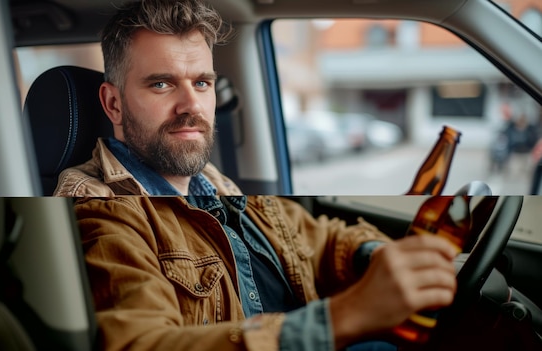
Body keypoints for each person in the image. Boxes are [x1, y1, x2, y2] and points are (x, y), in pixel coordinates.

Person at [56, 1, 459, 350]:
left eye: (201, 83)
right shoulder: (98, 206)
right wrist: (343, 317)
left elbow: (319, 237)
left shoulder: (213, 181)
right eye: (161, 84)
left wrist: (376, 255)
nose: (191, 105)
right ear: (113, 104)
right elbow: (142, 343)